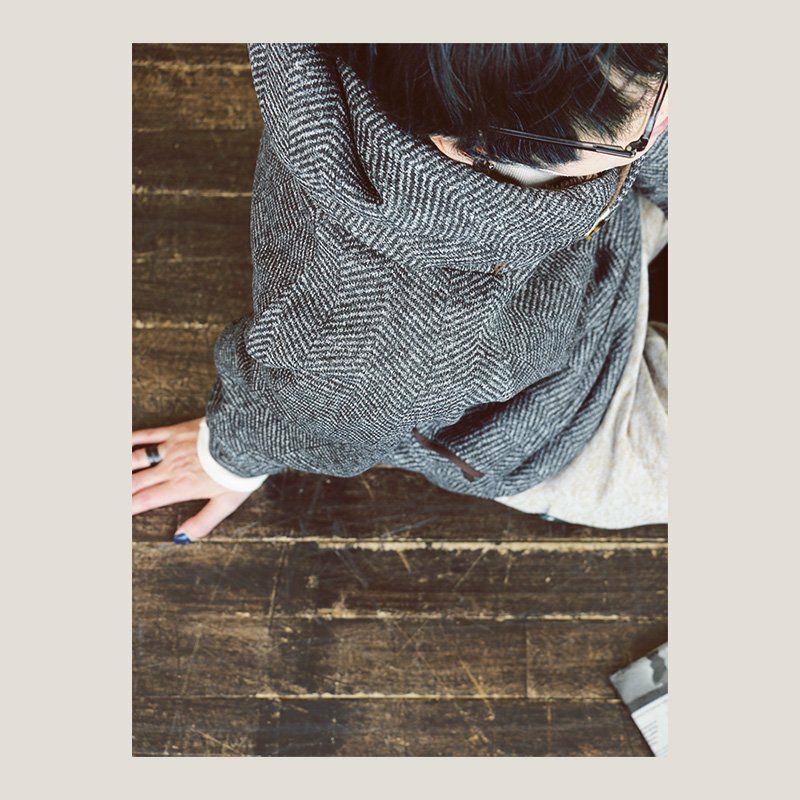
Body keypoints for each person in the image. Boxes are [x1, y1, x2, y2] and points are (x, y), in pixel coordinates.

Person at [132, 43, 668, 542]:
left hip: (600, 236)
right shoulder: (375, 338)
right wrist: (230, 454)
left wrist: (643, 130)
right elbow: (317, 418)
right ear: (471, 148)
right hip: (568, 418)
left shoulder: (549, 89)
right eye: (653, 109)